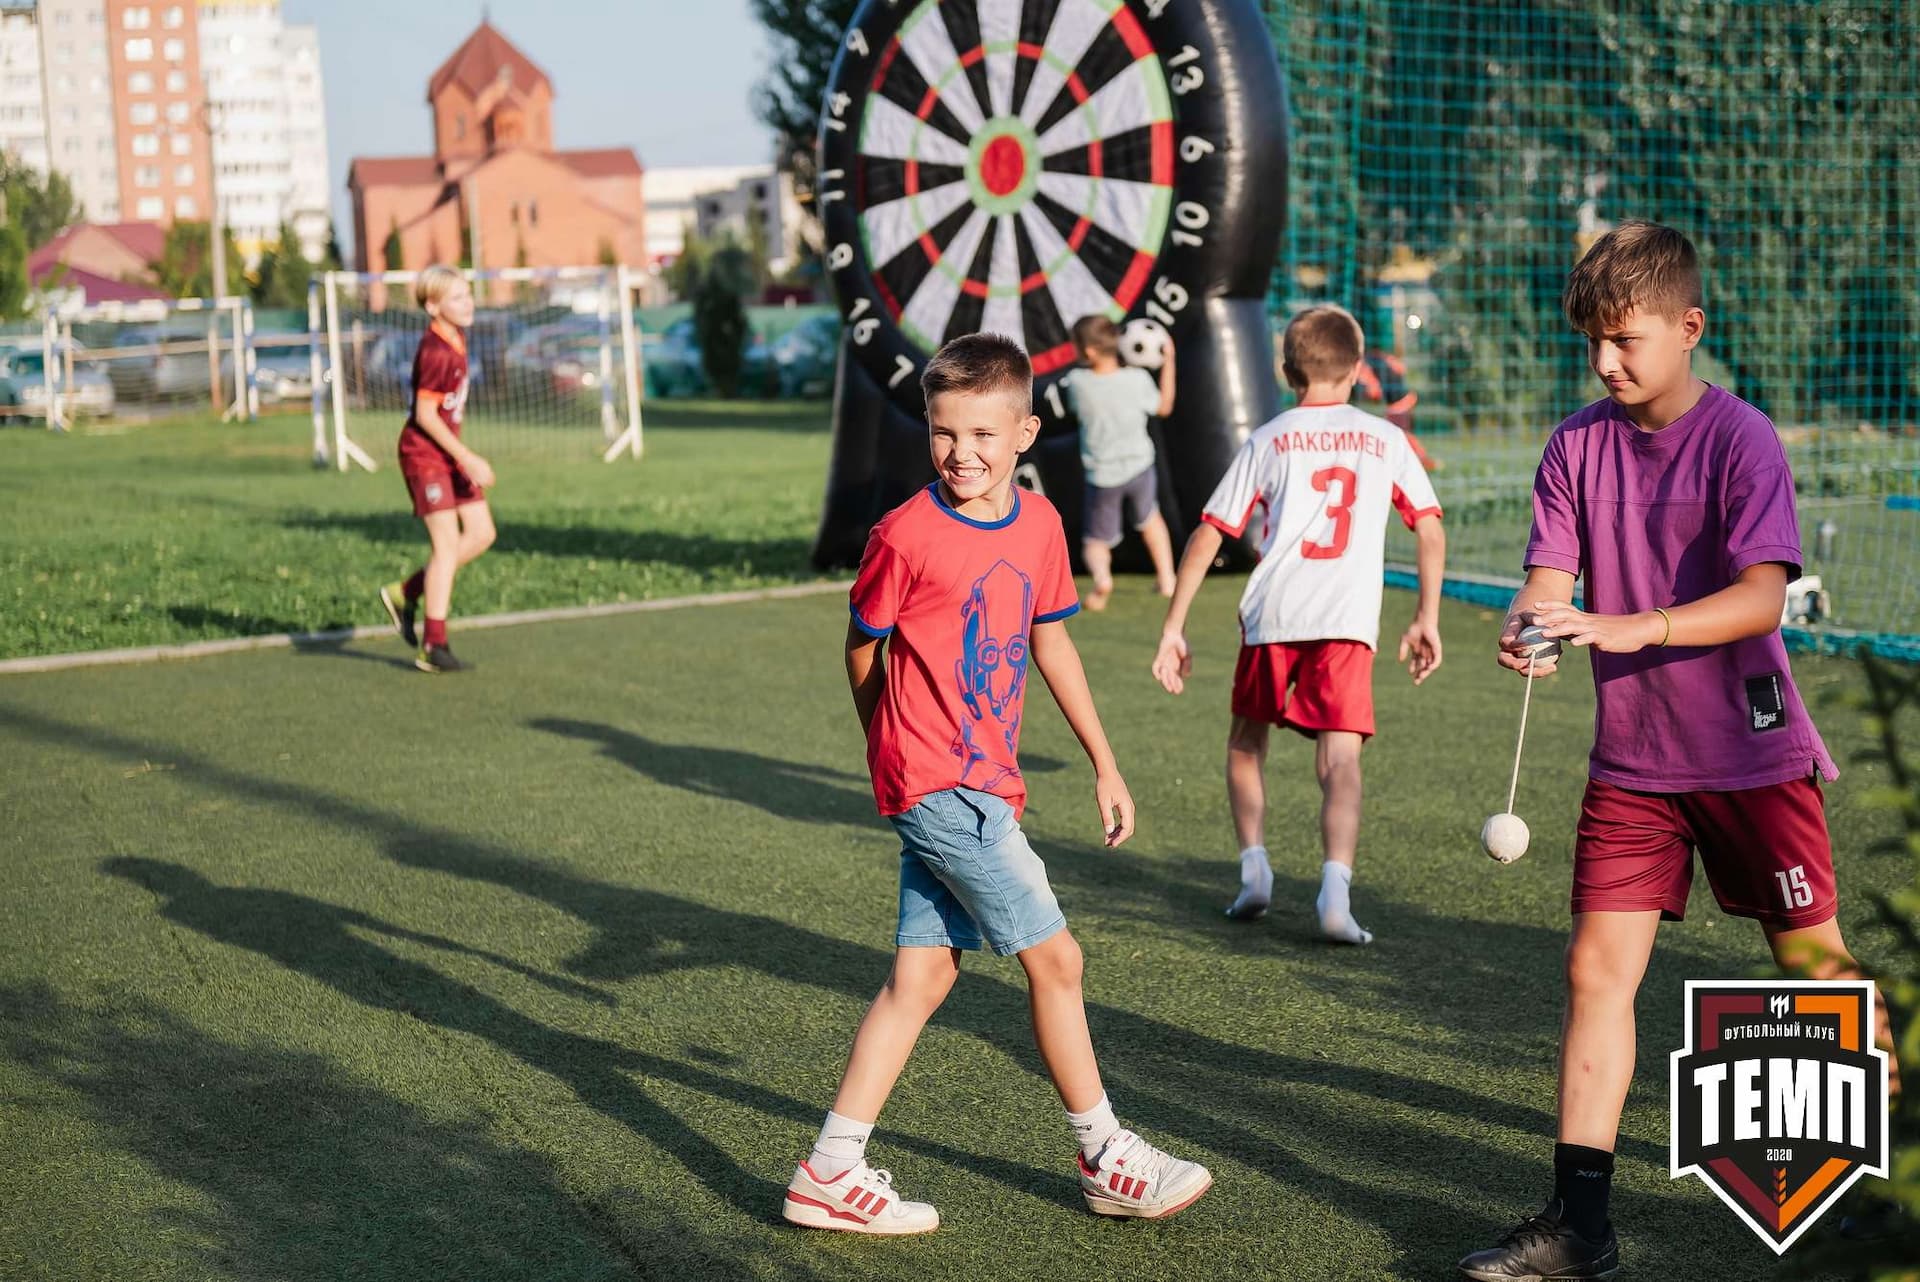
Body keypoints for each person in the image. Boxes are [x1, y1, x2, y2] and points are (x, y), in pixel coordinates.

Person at [1458, 221, 1898, 1280]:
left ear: (1688, 327)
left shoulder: (1742, 439)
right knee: (1594, 973)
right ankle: (1580, 1226)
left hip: (1751, 757)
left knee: (1814, 970)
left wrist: (1631, 626)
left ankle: (1893, 1179)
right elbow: (1551, 577)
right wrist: (1533, 624)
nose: (1607, 363)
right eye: (1594, 344)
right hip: (1632, 765)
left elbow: (1759, 595)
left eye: (1627, 339)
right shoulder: (1574, 444)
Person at [782, 332, 1212, 1236]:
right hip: (938, 783)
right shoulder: (903, 534)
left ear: (1025, 433)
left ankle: (829, 1169)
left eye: (983, 433)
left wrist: (1104, 761)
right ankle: (1107, 1157)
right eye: (944, 433)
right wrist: (886, 746)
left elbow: (1052, 641)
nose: (961, 453)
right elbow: (864, 645)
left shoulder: (1044, 526)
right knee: (1056, 959)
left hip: (987, 781)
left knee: (923, 978)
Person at [1152, 305, 1446, 943]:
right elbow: (1428, 524)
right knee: (1340, 759)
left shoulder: (1269, 436)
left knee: (1245, 744)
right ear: (1359, 370)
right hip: (1346, 620)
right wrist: (1427, 616)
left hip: (1273, 614)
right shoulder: (1386, 439)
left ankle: (1255, 870)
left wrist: (1175, 624)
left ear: (1287, 371)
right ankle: (1335, 894)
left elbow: (1211, 531)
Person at [378, 265, 496, 674]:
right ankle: (434, 644)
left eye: (469, 294)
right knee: (446, 546)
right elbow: (425, 415)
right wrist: (468, 456)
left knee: (482, 533)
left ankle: (406, 591)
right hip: (425, 456)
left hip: (448, 454)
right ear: (433, 307)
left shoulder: (457, 337)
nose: (469, 303)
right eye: (457, 298)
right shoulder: (434, 351)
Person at [1060, 315, 1178, 609]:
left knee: (1095, 542)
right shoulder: (1137, 380)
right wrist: (1169, 363)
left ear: (1087, 352)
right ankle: (1167, 579)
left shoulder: (1078, 383)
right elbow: (1164, 407)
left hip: (1102, 474)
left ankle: (1102, 578)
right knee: (1151, 520)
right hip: (1140, 467)